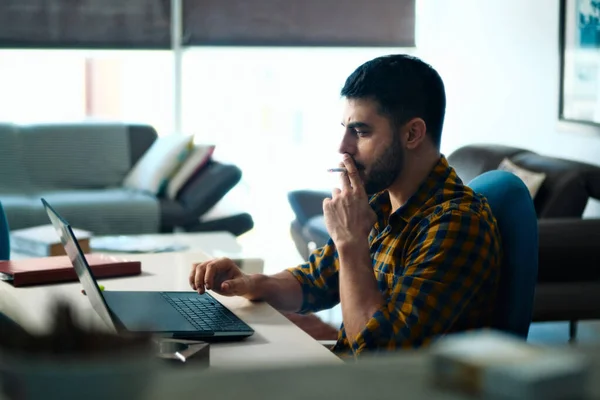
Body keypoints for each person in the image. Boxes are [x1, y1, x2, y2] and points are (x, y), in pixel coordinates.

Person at [189, 54, 502, 359]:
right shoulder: (379, 201)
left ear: (412, 133)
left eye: (361, 131)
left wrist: (351, 243)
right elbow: (313, 282)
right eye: (345, 128)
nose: (343, 147)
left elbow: (378, 356)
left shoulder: (456, 223)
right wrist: (248, 283)